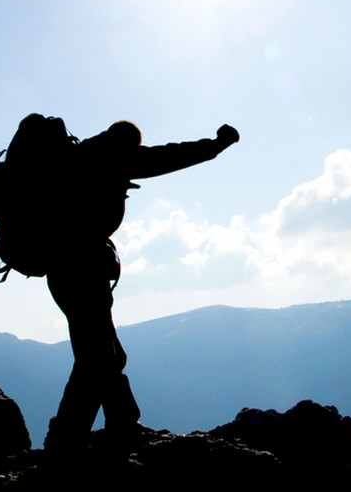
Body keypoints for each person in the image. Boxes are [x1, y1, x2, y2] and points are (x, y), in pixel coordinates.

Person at [43, 120, 239, 451]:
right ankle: (71, 438)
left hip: (65, 269)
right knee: (98, 356)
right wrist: (216, 145)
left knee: (102, 353)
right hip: (81, 269)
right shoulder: (111, 157)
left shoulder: (80, 155)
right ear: (127, 144)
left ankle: (116, 423)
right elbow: (168, 156)